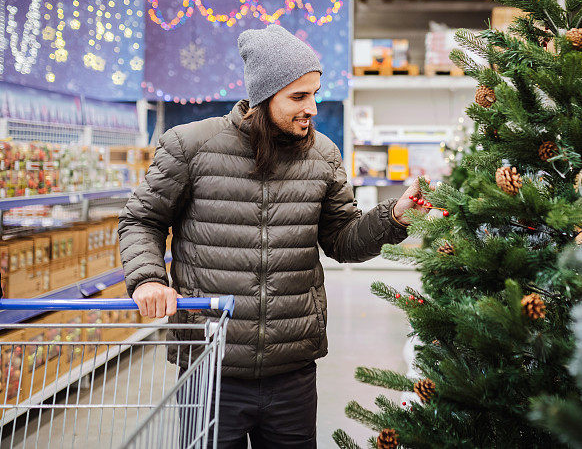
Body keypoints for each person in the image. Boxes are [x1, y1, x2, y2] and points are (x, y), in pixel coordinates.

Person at [119, 25, 428, 448]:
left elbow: (342, 239)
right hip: (211, 365)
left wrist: (393, 215)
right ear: (263, 98)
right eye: (298, 97)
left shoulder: (322, 156)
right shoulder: (190, 147)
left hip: (292, 368)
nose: (313, 108)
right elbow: (141, 219)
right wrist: (149, 277)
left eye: (315, 93)